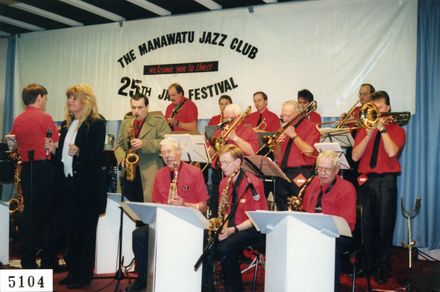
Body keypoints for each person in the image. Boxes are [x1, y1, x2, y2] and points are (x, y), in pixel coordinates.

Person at [127, 137, 209, 292]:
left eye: (169, 151)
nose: (166, 156)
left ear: (179, 152)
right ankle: (144, 278)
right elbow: (156, 204)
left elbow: (204, 206)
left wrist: (184, 204)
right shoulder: (159, 175)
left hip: (189, 223)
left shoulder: (195, 172)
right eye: (163, 153)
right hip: (166, 222)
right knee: (138, 235)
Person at [48, 84, 107, 289]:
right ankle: (73, 272)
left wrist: (80, 152)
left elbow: (97, 156)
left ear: (85, 100)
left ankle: (84, 276)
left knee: (85, 234)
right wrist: (55, 150)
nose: (69, 102)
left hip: (87, 188)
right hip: (68, 185)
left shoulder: (97, 123)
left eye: (74, 98)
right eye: (68, 99)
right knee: (69, 233)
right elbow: (64, 157)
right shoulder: (68, 124)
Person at [352, 90, 406, 284]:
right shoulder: (364, 129)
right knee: (367, 226)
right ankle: (368, 265)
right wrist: (367, 135)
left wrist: (382, 129)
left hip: (386, 181)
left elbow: (392, 152)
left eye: (381, 108)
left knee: (384, 227)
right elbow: (355, 157)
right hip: (366, 180)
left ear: (388, 108)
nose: (378, 112)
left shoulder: (397, 129)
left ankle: (382, 267)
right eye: (374, 109)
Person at [202, 144, 268, 292]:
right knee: (202, 240)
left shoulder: (253, 183)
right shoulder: (224, 183)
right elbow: (224, 210)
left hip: (251, 229)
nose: (222, 167)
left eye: (226, 162)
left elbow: (256, 218)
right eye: (220, 163)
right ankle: (207, 288)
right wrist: (224, 228)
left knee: (225, 248)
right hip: (231, 227)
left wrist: (232, 230)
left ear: (238, 163)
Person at [10, 83, 59, 269]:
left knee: (30, 216)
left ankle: (28, 262)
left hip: (27, 170)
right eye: (45, 98)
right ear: (39, 97)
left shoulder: (18, 119)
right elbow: (55, 144)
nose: (45, 101)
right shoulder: (45, 117)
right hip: (44, 169)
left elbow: (13, 144)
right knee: (47, 217)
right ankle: (48, 262)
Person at [301, 150, 356, 291]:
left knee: (328, 245)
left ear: (337, 169)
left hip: (339, 235)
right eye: (319, 168)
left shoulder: (347, 189)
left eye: (327, 169)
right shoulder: (313, 184)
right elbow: (306, 211)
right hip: (315, 231)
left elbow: (348, 226)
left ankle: (330, 287)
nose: (322, 173)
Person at [114, 93, 171, 202]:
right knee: (127, 206)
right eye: (133, 107)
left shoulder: (158, 121)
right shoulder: (126, 123)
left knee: (146, 207)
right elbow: (119, 146)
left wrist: (144, 144)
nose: (136, 111)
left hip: (149, 171)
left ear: (147, 107)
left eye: (140, 107)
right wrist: (122, 159)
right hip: (129, 171)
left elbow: (166, 142)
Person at [273, 100, 320, 211]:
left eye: (288, 116)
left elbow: (309, 151)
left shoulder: (311, 127)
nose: (284, 119)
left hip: (301, 172)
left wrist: (294, 135)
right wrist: (278, 145)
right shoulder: (282, 128)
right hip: (282, 172)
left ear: (298, 114)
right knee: (281, 207)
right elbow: (277, 158)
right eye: (283, 115)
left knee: (299, 206)